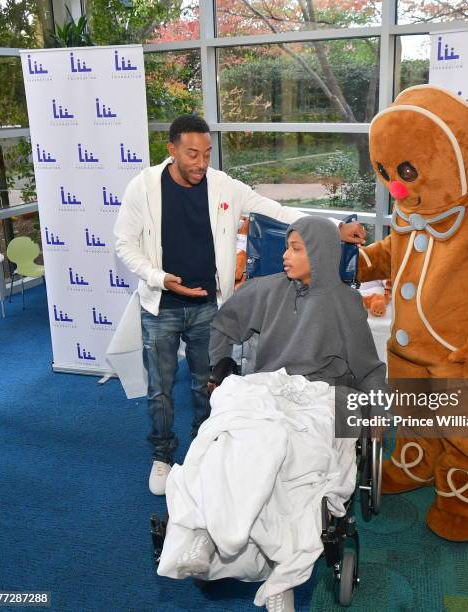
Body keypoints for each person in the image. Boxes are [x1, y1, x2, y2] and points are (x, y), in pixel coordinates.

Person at [113, 114, 366, 495]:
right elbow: (124, 244)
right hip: (161, 304)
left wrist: (332, 229)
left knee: (208, 382)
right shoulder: (143, 188)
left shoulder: (222, 186)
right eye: (192, 154)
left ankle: (205, 447)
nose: (201, 163)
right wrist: (157, 277)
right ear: (172, 151)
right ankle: (162, 456)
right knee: (160, 389)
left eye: (207, 154)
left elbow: (276, 210)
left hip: (207, 304)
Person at [158, 216, 386, 611]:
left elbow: (368, 368)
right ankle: (202, 533)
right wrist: (220, 366)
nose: (285, 255)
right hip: (267, 386)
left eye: (296, 248)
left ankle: (282, 579)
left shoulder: (345, 303)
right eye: (287, 246)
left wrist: (377, 413)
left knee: (294, 467)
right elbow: (224, 325)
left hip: (322, 394)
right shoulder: (266, 290)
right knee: (226, 437)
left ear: (321, 253)